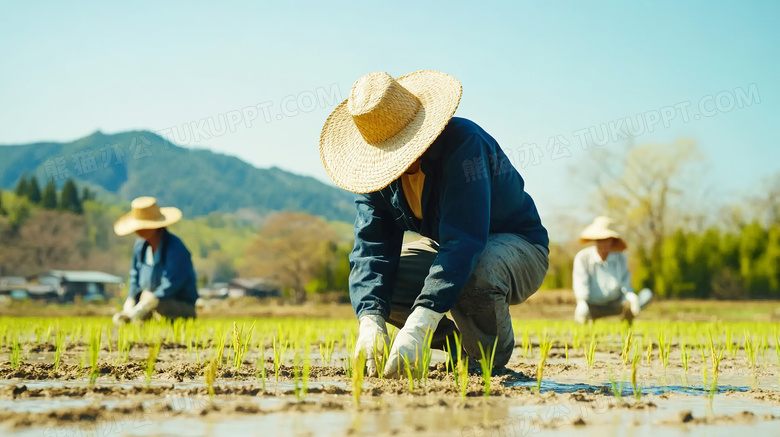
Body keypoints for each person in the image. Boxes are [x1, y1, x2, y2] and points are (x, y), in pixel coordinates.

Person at [318, 70, 549, 377]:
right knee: (386, 282)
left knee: (475, 269)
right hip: (448, 245)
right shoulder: (375, 176)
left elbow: (463, 242)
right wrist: (370, 318)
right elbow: (371, 250)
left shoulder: (465, 146)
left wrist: (419, 323)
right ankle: (455, 342)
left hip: (517, 247)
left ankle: (485, 361)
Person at [112, 197, 198, 324]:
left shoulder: (175, 248)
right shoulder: (140, 247)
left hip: (175, 305)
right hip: (146, 302)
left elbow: (171, 284)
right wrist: (131, 300)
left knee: (159, 304)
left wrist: (150, 301)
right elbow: (135, 276)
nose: (139, 230)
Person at [572, 216, 653, 324]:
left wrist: (630, 297)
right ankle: (589, 318)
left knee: (646, 294)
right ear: (595, 240)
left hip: (616, 304)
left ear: (612, 240)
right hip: (593, 306)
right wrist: (581, 302)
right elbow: (580, 283)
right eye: (600, 240)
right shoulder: (583, 257)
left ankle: (627, 319)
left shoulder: (621, 258)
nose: (603, 243)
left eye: (606, 239)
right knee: (583, 310)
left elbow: (625, 284)